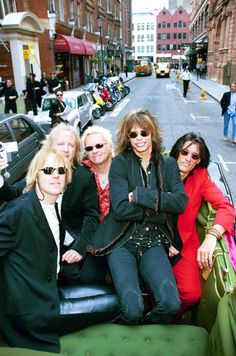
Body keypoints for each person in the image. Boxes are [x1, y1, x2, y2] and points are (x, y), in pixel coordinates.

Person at [88, 109, 188, 325]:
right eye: (133, 134)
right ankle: (129, 323)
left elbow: (180, 202)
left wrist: (141, 195)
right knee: (132, 310)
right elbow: (121, 209)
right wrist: (161, 212)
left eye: (144, 132)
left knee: (171, 304)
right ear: (127, 137)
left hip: (153, 242)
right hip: (122, 241)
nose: (139, 138)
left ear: (152, 133)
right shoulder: (121, 163)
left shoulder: (168, 164)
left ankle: (145, 326)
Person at [0, 124, 101, 284]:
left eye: (71, 145)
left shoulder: (84, 176)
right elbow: (12, 194)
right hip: (42, 245)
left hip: (72, 242)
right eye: (61, 144)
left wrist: (79, 248)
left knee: (80, 276)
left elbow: (92, 216)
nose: (66, 149)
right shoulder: (41, 170)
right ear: (50, 146)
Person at [169, 132, 235, 317]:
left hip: (184, 243)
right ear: (177, 152)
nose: (188, 158)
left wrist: (212, 236)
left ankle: (169, 320)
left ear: (199, 161)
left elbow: (226, 207)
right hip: (154, 240)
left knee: (191, 294)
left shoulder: (201, 178)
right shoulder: (160, 169)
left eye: (194, 156)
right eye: (184, 152)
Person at [81, 125, 113, 221]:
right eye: (89, 148)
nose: (94, 151)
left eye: (99, 146)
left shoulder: (124, 168)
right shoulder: (80, 173)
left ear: (110, 146)